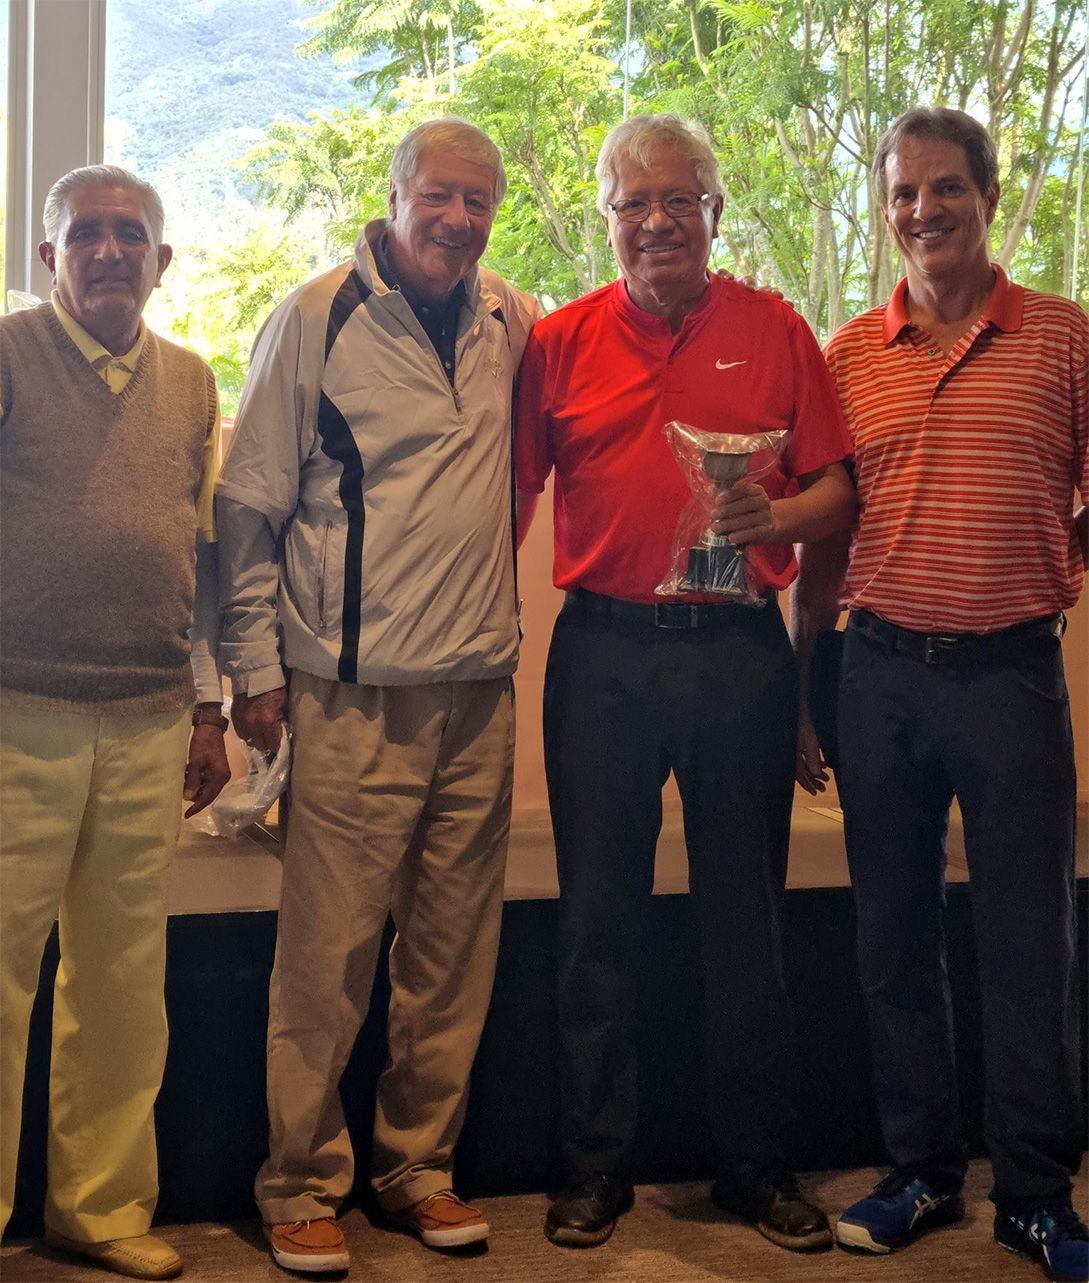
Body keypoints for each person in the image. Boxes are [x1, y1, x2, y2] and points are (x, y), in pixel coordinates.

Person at [514, 113, 856, 1253]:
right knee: (594, 921)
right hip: (601, 655)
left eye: (680, 200)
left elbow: (838, 493)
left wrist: (778, 517)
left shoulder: (776, 328)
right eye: (633, 202)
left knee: (746, 922)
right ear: (606, 217)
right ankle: (591, 1168)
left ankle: (758, 1168)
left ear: (715, 210)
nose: (656, 221)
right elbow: (502, 493)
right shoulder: (557, 341)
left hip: (737, 657)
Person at [216, 117, 539, 1275]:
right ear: (394, 197)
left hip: (479, 688)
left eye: (478, 200)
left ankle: (417, 1169)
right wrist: (254, 670)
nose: (457, 218)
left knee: (450, 954)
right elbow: (246, 506)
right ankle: (299, 1181)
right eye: (437, 195)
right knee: (329, 956)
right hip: (349, 691)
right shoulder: (315, 316)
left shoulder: (511, 317)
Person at [793, 107, 1088, 1283]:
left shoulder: (1063, 336)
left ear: (989, 196)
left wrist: (1060, 556)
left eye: (947, 187)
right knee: (893, 936)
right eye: (905, 192)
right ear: (887, 211)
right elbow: (827, 538)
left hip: (1012, 676)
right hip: (880, 678)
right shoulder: (849, 353)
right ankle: (920, 1168)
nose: (925, 209)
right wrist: (809, 691)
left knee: (1031, 943)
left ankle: (1036, 1195)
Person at [0, 165, 229, 1281]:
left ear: (161, 259)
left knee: (124, 981)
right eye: (84, 234)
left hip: (149, 719)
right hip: (16, 714)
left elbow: (199, 557)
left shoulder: (191, 382)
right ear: (48, 256)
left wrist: (210, 706)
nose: (107, 251)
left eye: (129, 235)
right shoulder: (7, 355)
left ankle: (98, 1209)